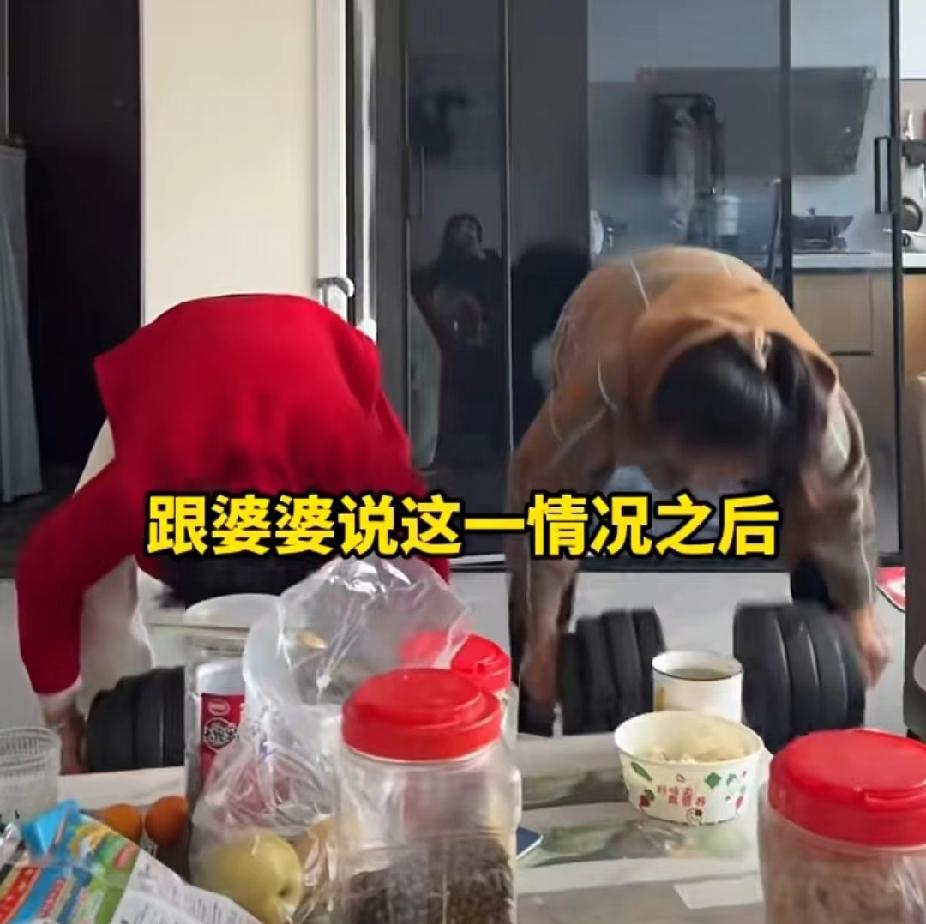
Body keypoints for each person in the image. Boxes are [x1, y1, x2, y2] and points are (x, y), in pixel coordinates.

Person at [16, 294, 449, 770]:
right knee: (98, 595)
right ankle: (110, 743)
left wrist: (424, 674)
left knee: (388, 592)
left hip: (316, 359)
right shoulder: (144, 488)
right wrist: (62, 720)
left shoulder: (355, 461)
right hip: (175, 364)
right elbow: (44, 571)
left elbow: (425, 557)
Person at [508, 246, 889, 732]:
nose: (710, 493)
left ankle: (821, 722)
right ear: (660, 440)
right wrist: (542, 641)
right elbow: (541, 511)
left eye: (734, 476)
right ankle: (534, 704)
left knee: (819, 519)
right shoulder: (599, 393)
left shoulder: (813, 409)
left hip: (734, 286)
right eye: (701, 473)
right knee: (553, 537)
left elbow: (843, 511)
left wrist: (859, 615)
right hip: (607, 301)